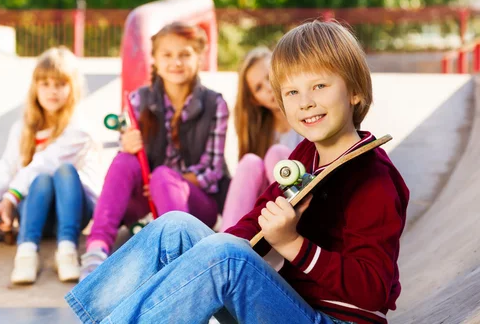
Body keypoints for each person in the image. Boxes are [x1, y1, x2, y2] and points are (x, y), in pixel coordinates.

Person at [64, 21, 410, 324]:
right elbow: (251, 225)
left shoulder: (371, 176)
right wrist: (206, 253)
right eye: (292, 91)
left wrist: (293, 245)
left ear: (354, 91)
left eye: (319, 86)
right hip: (291, 306)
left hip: (333, 320)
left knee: (226, 257)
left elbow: (374, 293)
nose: (305, 101)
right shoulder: (306, 155)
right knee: (175, 227)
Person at [78, 22, 230, 281]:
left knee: (162, 176)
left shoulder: (215, 104)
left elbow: (212, 172)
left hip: (195, 204)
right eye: (167, 55)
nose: (176, 62)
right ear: (156, 60)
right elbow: (132, 165)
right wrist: (128, 144)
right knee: (125, 160)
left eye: (184, 54)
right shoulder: (139, 100)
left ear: (199, 57)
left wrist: (167, 183)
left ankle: (179, 258)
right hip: (146, 201)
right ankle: (97, 248)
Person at [0, 46, 103, 284]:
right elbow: (5, 170)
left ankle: (67, 251)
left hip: (73, 212)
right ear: (35, 88)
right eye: (45, 84)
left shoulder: (79, 128)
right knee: (40, 181)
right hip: (36, 213)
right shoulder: (23, 129)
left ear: (73, 88)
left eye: (60, 84)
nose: (52, 91)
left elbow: (44, 163)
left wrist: (11, 197)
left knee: (61, 171)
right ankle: (27, 252)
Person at [220, 47, 302, 231]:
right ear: (256, 100)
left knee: (277, 154)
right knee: (249, 162)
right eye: (258, 88)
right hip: (269, 208)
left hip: (306, 197)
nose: (268, 88)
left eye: (269, 76)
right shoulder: (261, 133)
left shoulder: (308, 111)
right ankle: (228, 238)